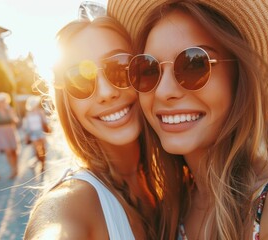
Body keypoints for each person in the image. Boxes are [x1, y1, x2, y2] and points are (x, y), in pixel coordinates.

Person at [108, 0, 268, 239]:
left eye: (193, 65)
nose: (163, 91)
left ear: (240, 79)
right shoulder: (170, 208)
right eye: (148, 70)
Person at [24, 12, 185, 240]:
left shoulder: (180, 175)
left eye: (120, 67)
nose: (106, 93)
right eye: (79, 79)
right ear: (67, 103)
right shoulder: (72, 203)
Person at [0, 92, 20, 179]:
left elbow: (16, 121)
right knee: (7, 151)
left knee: (14, 151)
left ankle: (16, 168)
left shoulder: (10, 110)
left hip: (11, 131)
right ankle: (12, 169)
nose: (2, 103)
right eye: (1, 101)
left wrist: (11, 114)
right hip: (1, 133)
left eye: (4, 101)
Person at [22, 95, 48, 172]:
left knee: (43, 149)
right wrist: (27, 135)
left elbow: (45, 122)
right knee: (36, 150)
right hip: (33, 133)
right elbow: (26, 125)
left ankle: (43, 165)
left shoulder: (40, 112)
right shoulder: (28, 113)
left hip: (41, 132)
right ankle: (39, 161)